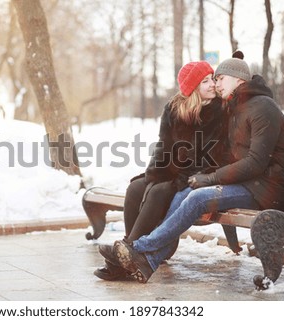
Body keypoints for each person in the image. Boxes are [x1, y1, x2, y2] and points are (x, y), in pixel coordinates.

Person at [107, 52, 284, 284]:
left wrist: (210, 177)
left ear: (239, 79)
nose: (215, 84)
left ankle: (138, 248)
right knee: (182, 194)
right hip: (246, 183)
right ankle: (148, 261)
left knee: (197, 197)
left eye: (219, 79)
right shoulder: (236, 108)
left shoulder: (263, 107)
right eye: (211, 80)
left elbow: (256, 162)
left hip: (267, 189)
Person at [94, 61, 226, 281]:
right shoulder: (174, 108)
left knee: (159, 191)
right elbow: (164, 145)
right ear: (192, 87)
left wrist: (179, 179)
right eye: (205, 81)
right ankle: (127, 254)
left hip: (200, 174)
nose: (213, 84)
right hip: (175, 171)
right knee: (136, 188)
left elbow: (211, 155)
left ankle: (127, 253)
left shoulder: (219, 111)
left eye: (212, 78)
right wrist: (154, 174)